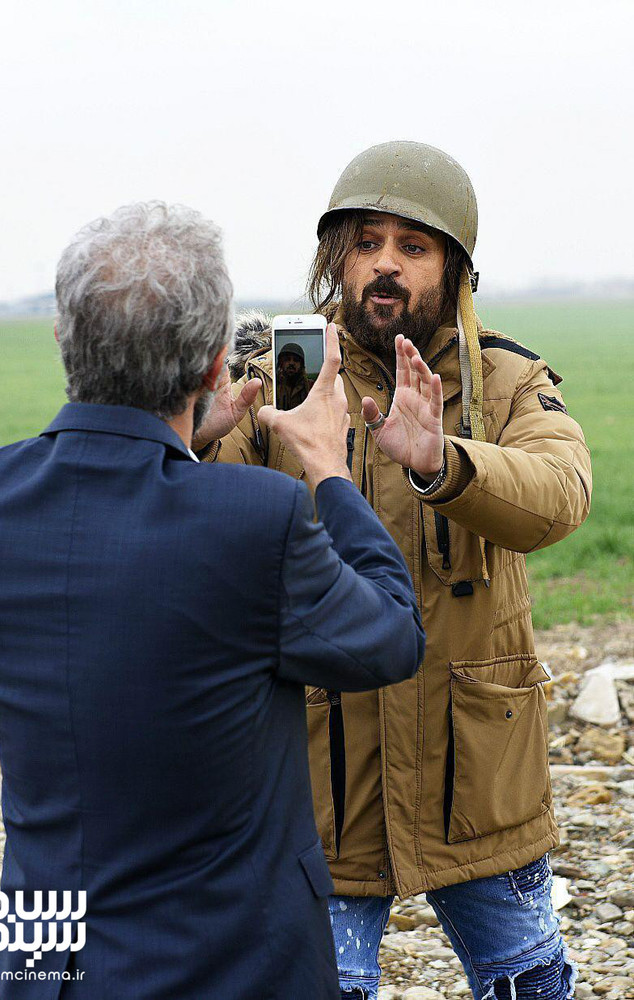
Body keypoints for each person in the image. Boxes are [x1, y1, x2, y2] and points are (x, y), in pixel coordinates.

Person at [0, 202, 426, 1000]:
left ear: (64, 340)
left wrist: (188, 435)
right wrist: (328, 468)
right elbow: (392, 637)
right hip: (220, 962)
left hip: (40, 958)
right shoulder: (254, 523)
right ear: (211, 365)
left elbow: (102, 519)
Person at [192, 142, 592, 1000]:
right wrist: (193, 422)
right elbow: (181, 509)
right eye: (366, 240)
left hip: (479, 777)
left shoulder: (508, 380)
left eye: (413, 246)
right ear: (334, 255)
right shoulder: (277, 380)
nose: (384, 264)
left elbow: (560, 493)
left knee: (529, 982)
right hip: (321, 785)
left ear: (454, 267)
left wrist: (440, 459)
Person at [276, 342, 310, 409]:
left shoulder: (311, 386)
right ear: (281, 363)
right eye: (287, 359)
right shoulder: (273, 386)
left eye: (296, 360)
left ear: (301, 365)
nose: (291, 363)